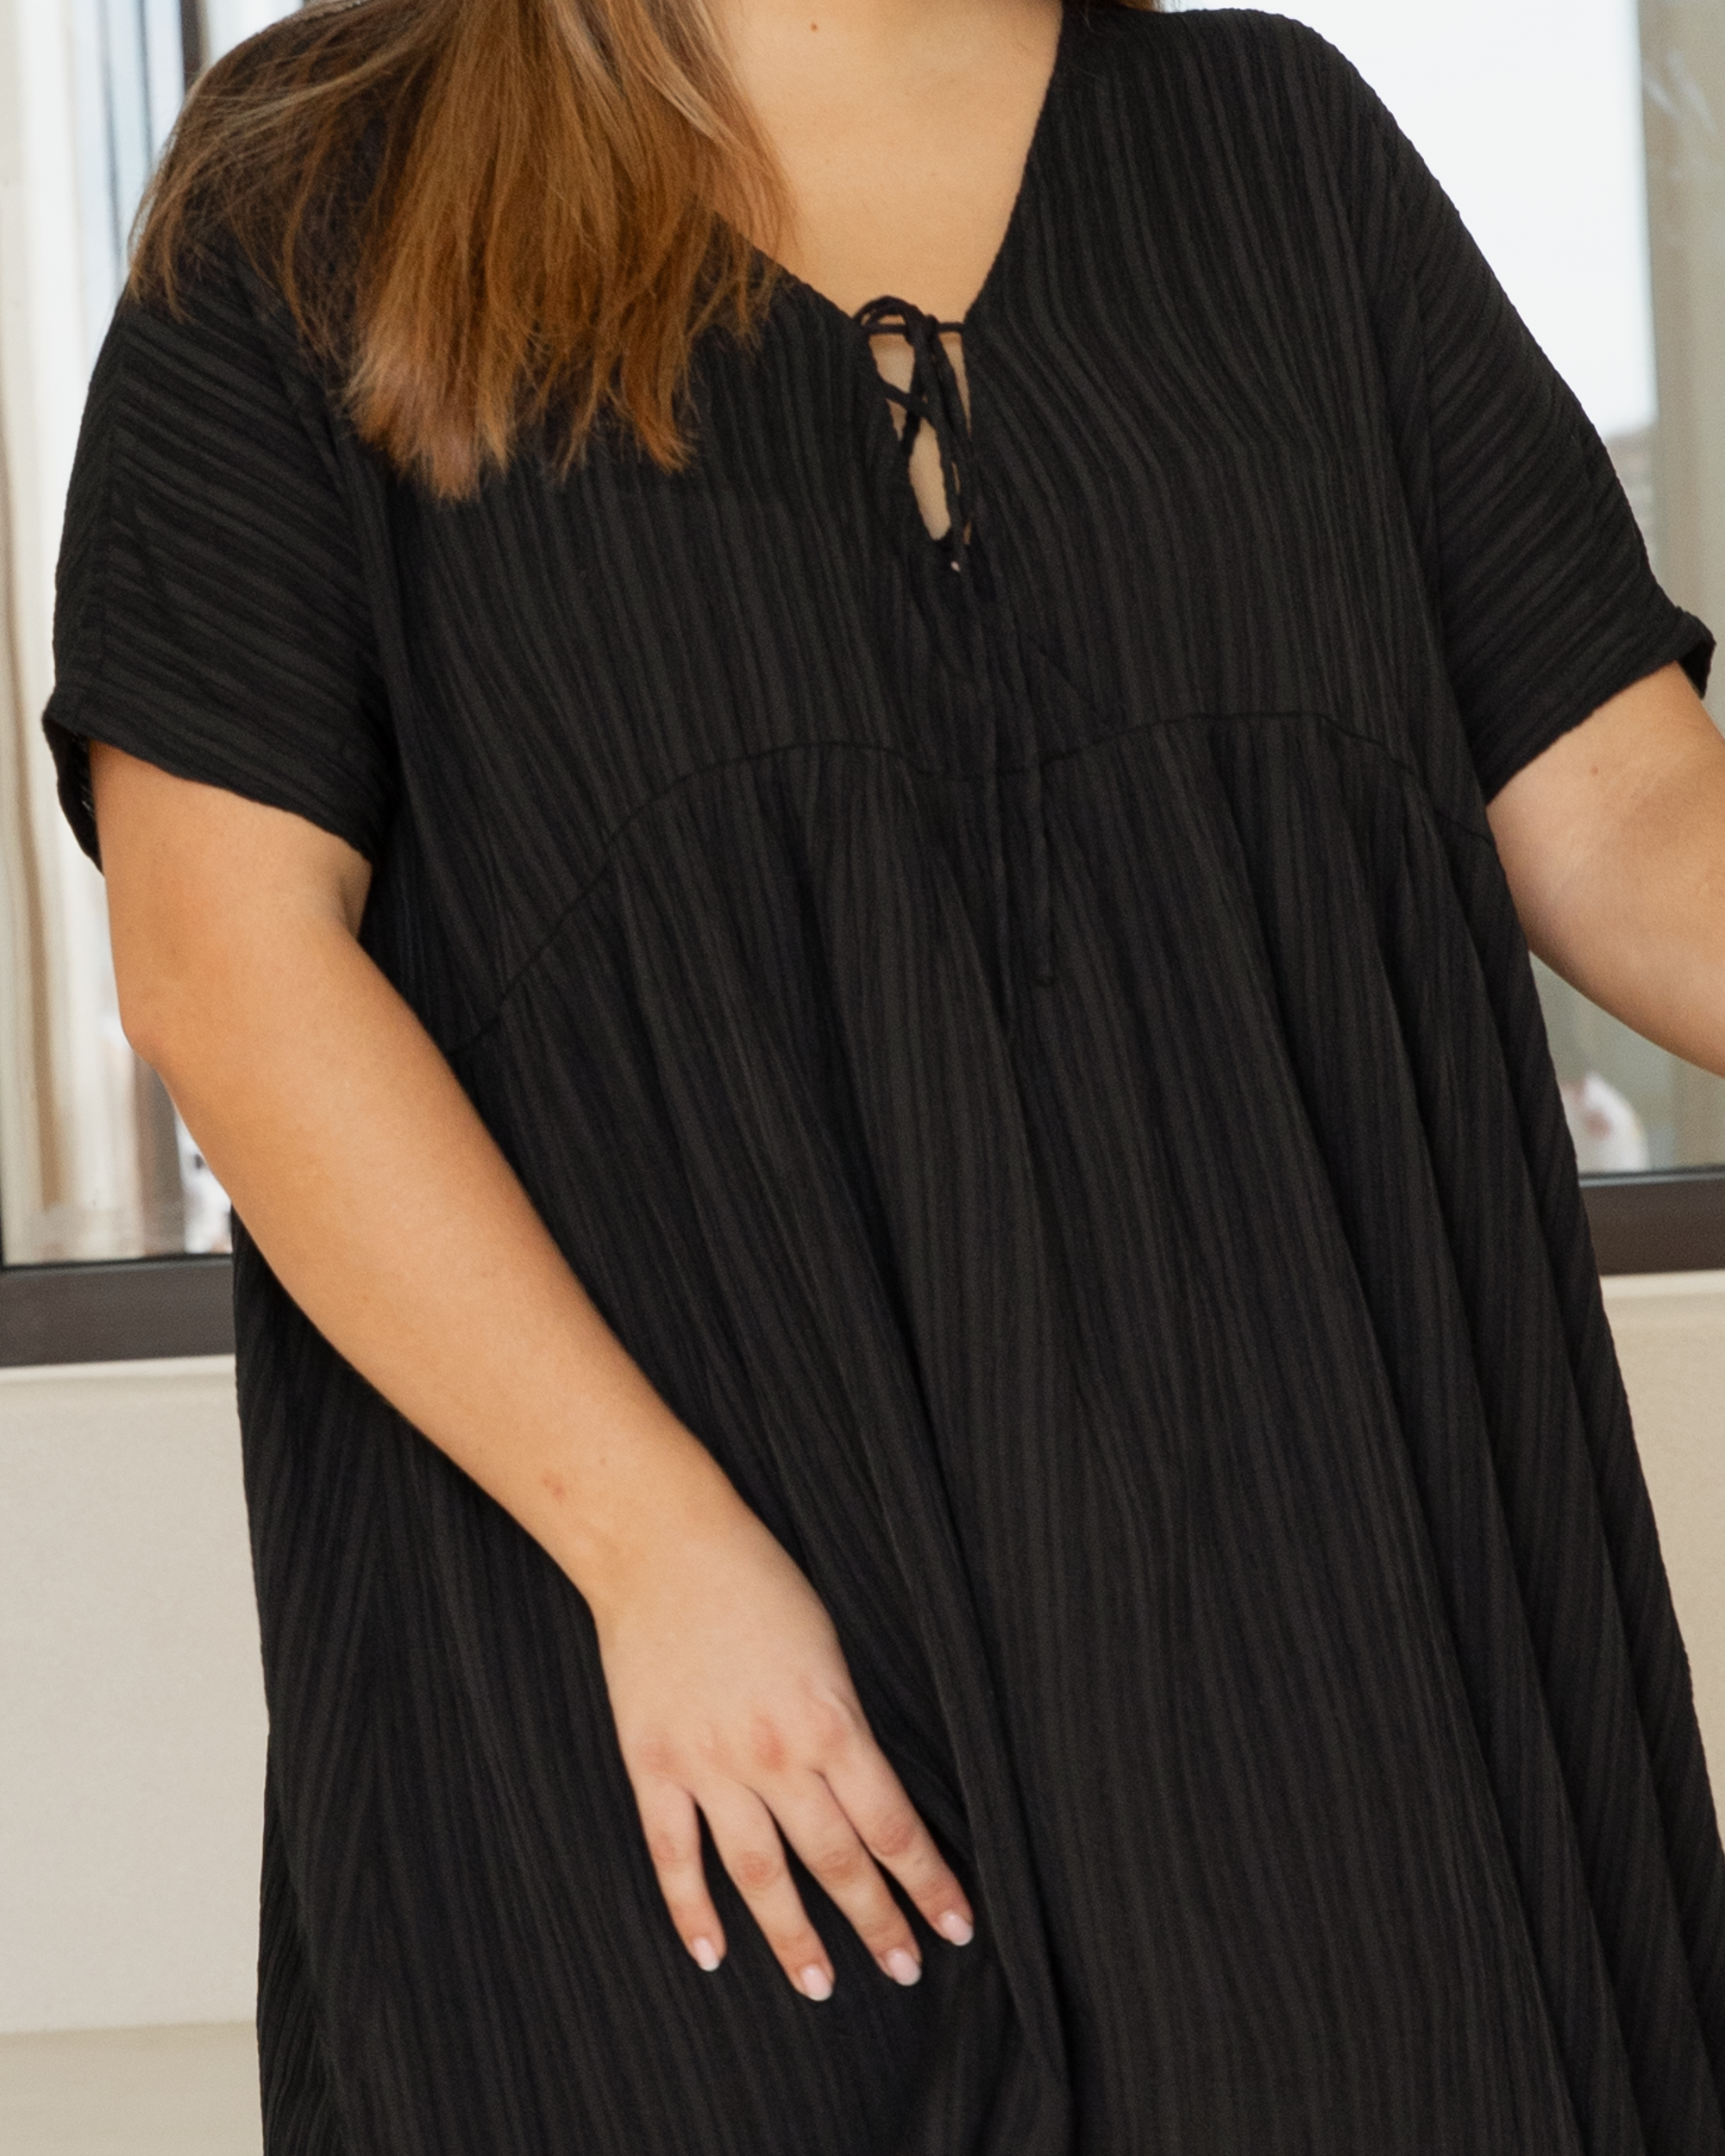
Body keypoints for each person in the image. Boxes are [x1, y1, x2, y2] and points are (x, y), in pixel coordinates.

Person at [42, 0, 1725, 2146]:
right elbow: (223, 969)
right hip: (706, 1745)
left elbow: (1628, 824)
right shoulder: (311, 198)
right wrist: (657, 1548)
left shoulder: (1277, 156)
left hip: (1312, 1689)